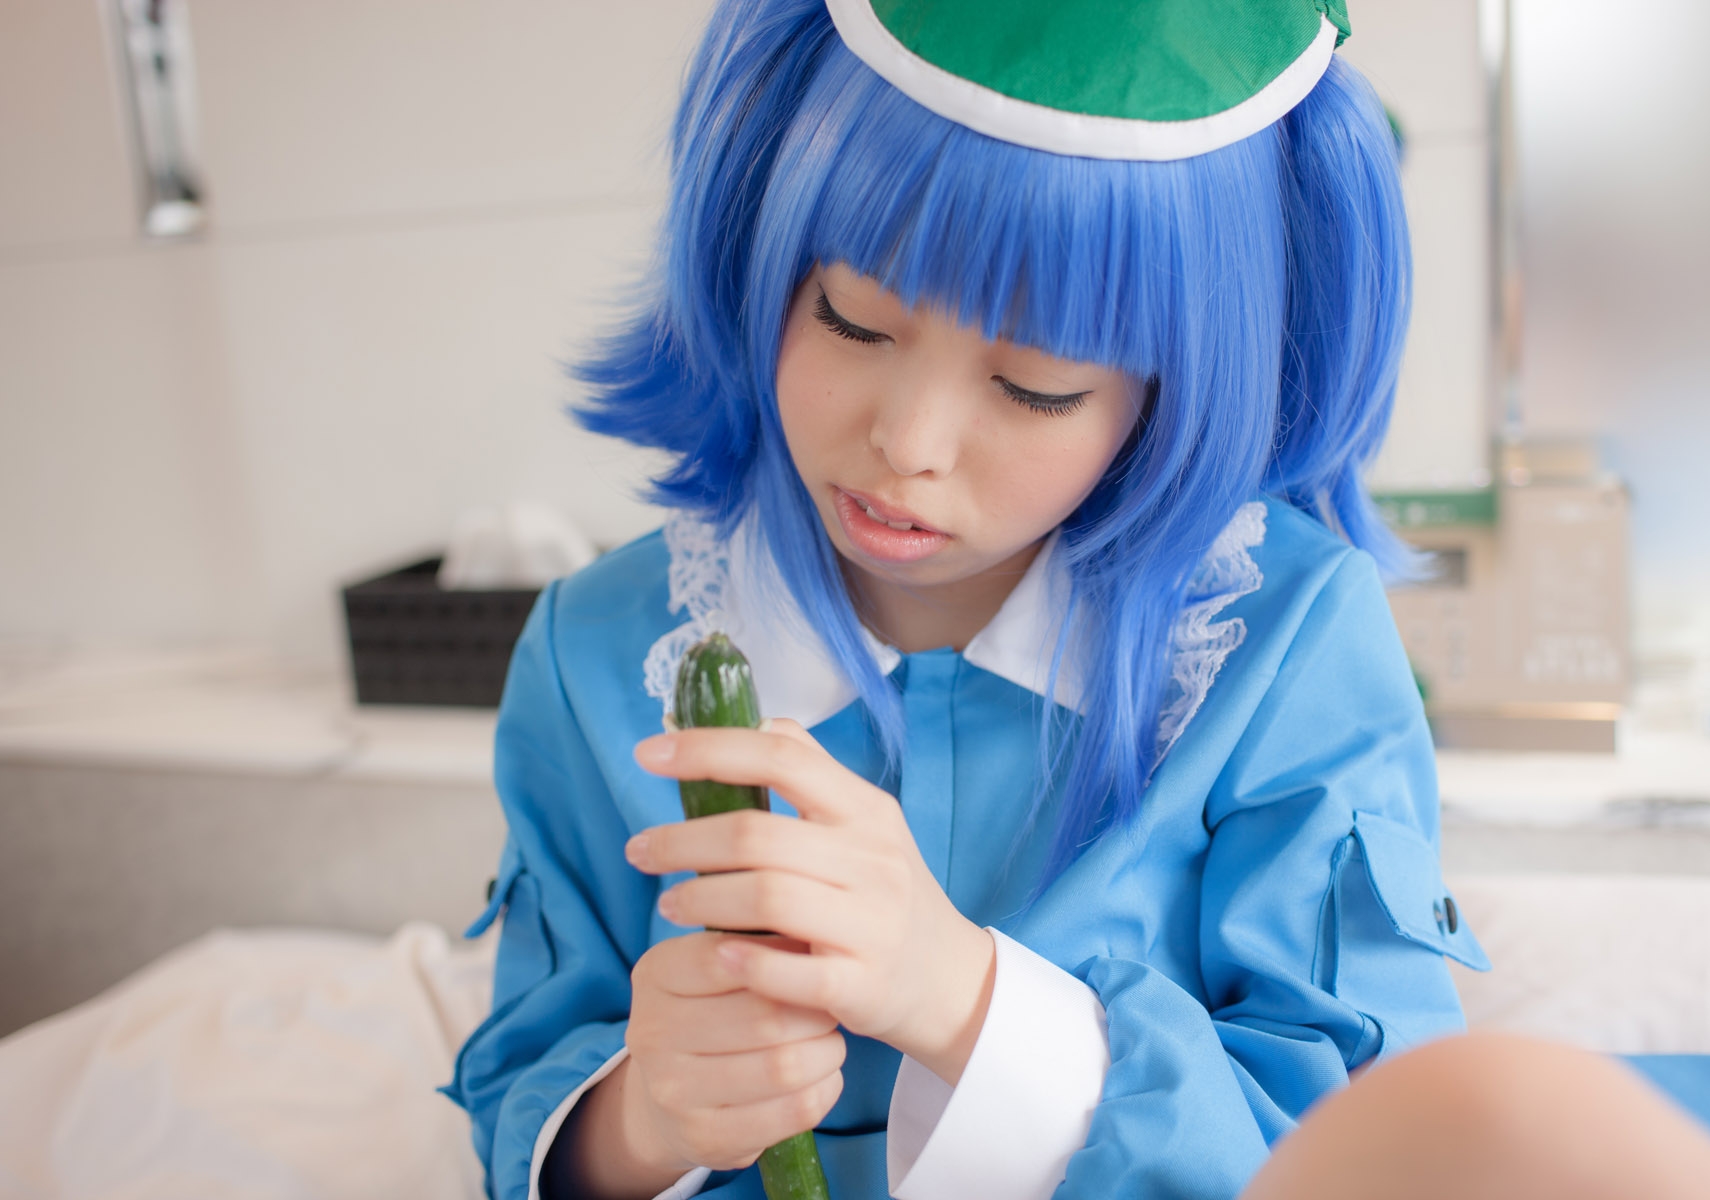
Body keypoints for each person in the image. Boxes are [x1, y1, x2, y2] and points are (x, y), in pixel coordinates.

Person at [444, 1, 1502, 1196]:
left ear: (1175, 390)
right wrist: (642, 1120)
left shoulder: (1285, 646)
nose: (910, 444)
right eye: (853, 318)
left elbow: (1374, 1149)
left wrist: (962, 998)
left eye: (1035, 385)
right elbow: (524, 1086)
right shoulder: (601, 650)